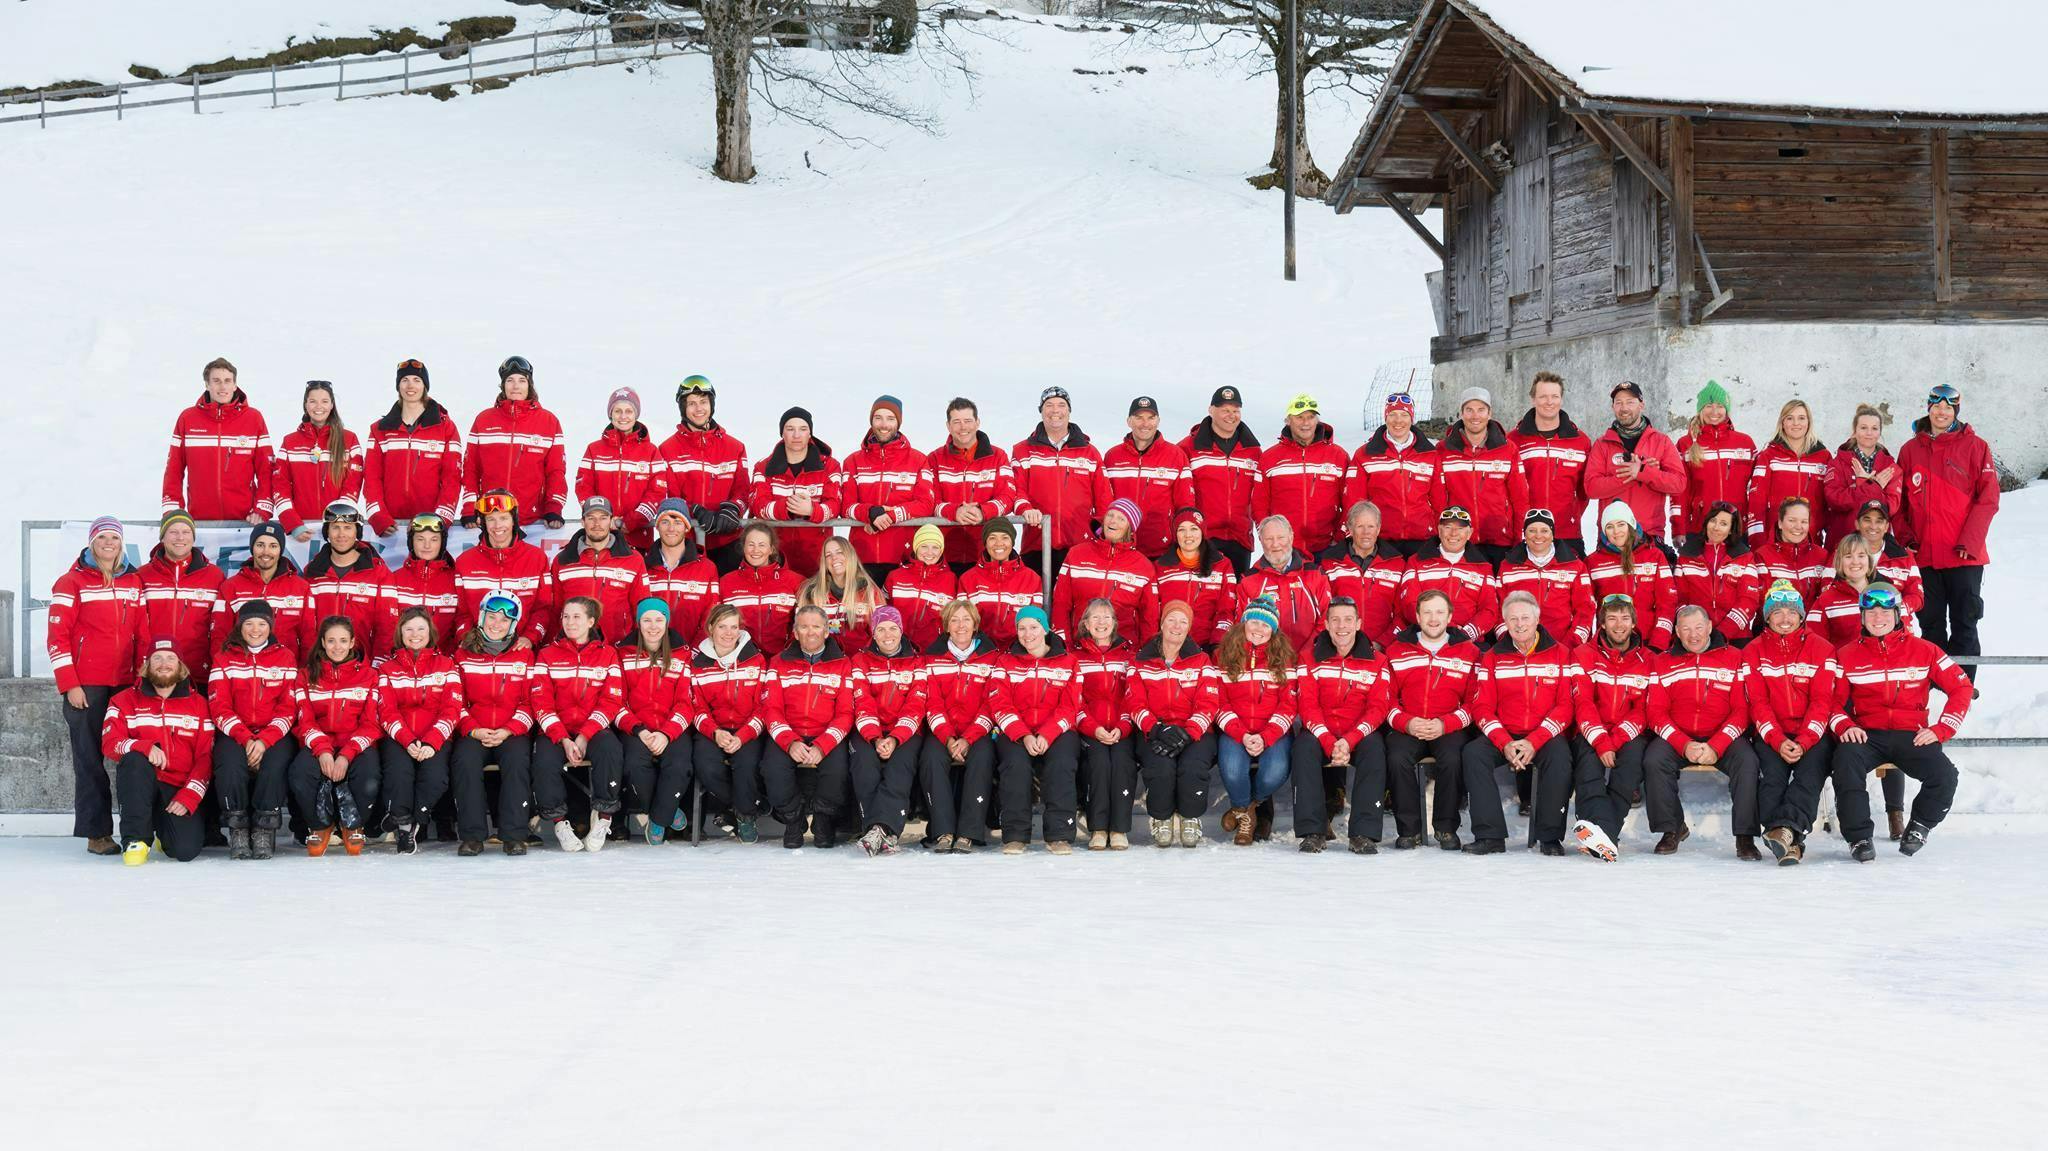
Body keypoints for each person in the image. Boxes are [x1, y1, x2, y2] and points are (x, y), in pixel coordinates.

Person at [1830, 583, 1970, 860]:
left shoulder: (1925, 650)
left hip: (1912, 735)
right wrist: (1845, 725)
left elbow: (1961, 687)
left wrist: (1942, 729)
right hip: (1868, 734)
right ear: (1861, 617)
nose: (1878, 618)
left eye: (1885, 611)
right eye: (1870, 613)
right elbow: (1830, 701)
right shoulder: (1846, 655)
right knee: (1845, 763)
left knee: (1945, 776)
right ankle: (1859, 838)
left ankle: (1919, 826)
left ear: (1897, 615)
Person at [49, 516, 146, 855]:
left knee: (131, 757)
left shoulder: (134, 581)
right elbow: (57, 639)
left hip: (124, 684)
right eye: (102, 537)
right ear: (92, 543)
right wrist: (70, 684)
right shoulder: (71, 582)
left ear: (122, 545)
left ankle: (140, 828)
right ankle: (97, 833)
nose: (109, 543)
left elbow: (142, 634)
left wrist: (142, 676)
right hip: (86, 686)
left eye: (114, 538)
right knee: (89, 759)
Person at [1895, 383, 1998, 686]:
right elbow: (1898, 504)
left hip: (1965, 555)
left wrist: (1970, 541)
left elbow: (1988, 499)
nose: (1941, 412)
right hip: (1924, 556)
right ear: (1928, 408)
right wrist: (1906, 539)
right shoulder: (1910, 450)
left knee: (1965, 623)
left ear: (1955, 411)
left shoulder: (1976, 447)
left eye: (1948, 407)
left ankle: (1963, 687)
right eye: (1936, 406)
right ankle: (1937, 687)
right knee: (1932, 625)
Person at [1459, 592, 1574, 855]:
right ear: (1505, 623)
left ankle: (1550, 837)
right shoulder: (1492, 656)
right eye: (1513, 619)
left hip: (1544, 734)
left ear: (1537, 619)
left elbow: (1566, 706)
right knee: (1473, 753)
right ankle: (1490, 836)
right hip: (1505, 732)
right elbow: (1482, 707)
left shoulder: (1560, 654)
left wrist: (1534, 741)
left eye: (1525, 618)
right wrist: (1505, 742)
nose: (1520, 624)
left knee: (1560, 757)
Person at [1643, 605, 1762, 859]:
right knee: (1653, 760)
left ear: (1709, 627)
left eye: (1698, 627)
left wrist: (1717, 745)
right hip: (1679, 735)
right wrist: (1683, 743)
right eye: (1685, 629)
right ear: (1676, 631)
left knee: (1748, 761)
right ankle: (1671, 828)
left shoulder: (1734, 657)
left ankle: (1745, 836)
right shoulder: (1662, 661)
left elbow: (1742, 710)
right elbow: (1655, 712)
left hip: (1723, 734)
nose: (1693, 634)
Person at [1744, 581, 1842, 866]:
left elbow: (1822, 701)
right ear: (1767, 616)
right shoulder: (1752, 651)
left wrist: (1804, 741)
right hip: (1771, 732)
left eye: (1791, 611)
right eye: (1777, 612)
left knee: (1809, 775)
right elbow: (1757, 703)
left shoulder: (1822, 649)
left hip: (1812, 732)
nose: (1784, 618)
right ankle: (1792, 842)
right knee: (1772, 779)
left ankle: (1784, 832)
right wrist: (1776, 739)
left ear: (1801, 616)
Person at [1291, 596, 1394, 854]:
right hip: (1320, 730)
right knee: (1303, 750)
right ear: (1325, 624)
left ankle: (1363, 833)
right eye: (1335, 620)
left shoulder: (1377, 660)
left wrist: (1349, 740)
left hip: (1359, 732)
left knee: (1374, 751)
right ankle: (1313, 831)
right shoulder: (1308, 657)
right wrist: (1328, 739)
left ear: (1358, 623)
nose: (1342, 626)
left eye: (1348, 619)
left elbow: (1378, 708)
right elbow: (1308, 706)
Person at [1383, 589, 1482, 851]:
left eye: (1439, 612)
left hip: (1449, 726)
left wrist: (1445, 724)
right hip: (1408, 725)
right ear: (1417, 616)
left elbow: (1476, 702)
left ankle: (1446, 828)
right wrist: (1406, 722)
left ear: (1450, 616)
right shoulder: (1396, 650)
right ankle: (1409, 830)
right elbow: (1386, 699)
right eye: (1427, 612)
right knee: (1395, 757)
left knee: (1453, 758)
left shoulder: (1469, 652)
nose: (1433, 618)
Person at [104, 638, 214, 865]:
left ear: (180, 665)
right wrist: (142, 746)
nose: (164, 664)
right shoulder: (122, 700)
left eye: (170, 658)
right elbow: (109, 743)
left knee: (185, 851)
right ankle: (136, 839)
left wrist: (190, 795)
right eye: (157, 658)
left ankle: (162, 830)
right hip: (143, 783)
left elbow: (206, 756)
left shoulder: (199, 704)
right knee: (134, 759)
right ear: (147, 664)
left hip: (178, 788)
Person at [1565, 594, 1656, 862]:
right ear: (1602, 623)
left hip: (1629, 732)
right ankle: (1606, 837)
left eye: (1625, 618)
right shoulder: (1582, 654)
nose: (1619, 625)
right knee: (1589, 769)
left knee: (1627, 772)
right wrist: (1602, 741)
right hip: (1591, 729)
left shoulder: (1649, 659)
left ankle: (1602, 835)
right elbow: (1583, 702)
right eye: (1612, 618)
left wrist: (1615, 740)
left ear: (1634, 622)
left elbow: (1644, 709)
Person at [531, 597, 626, 852]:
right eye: (566, 616)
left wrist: (583, 736)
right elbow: (540, 701)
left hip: (593, 729)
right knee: (544, 761)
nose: (570, 622)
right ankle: (560, 822)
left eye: (577, 617)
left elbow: (611, 701)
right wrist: (563, 738)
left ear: (591, 621)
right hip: (556, 730)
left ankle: (604, 816)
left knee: (611, 750)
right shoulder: (547, 654)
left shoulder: (607, 654)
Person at [208, 600, 301, 861]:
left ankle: (264, 826)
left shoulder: (285, 657)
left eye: (262, 624)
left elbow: (288, 707)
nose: (256, 629)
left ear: (270, 626)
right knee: (229, 763)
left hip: (272, 732)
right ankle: (237, 827)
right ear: (240, 626)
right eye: (249, 624)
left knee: (276, 762)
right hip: (236, 731)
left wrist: (264, 740)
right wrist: (247, 738)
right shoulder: (224, 657)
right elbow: (219, 706)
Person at [760, 605, 857, 849]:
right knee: (772, 769)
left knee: (838, 771)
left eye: (816, 627)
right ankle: (794, 819)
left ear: (827, 632)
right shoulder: (778, 663)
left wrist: (823, 745)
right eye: (804, 626)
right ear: (795, 632)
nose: (810, 632)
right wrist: (789, 741)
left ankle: (823, 819)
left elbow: (846, 713)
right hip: (788, 732)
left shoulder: (843, 664)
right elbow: (771, 709)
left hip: (827, 734)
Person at [449, 593, 537, 856]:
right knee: (464, 762)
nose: (496, 624)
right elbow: (455, 702)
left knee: (518, 761)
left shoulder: (524, 656)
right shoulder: (462, 654)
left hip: (511, 730)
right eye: (491, 616)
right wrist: (472, 729)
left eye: (504, 619)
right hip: (474, 729)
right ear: (481, 617)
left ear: (513, 625)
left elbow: (531, 701)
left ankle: (514, 835)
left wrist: (509, 729)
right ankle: (473, 836)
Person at [992, 605, 1084, 855]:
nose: (1027, 633)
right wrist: (1023, 734)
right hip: (1016, 731)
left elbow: (1071, 706)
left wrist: (1047, 733)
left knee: (1062, 763)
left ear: (1045, 629)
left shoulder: (1068, 662)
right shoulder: (1005, 662)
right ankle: (1015, 835)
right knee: (1015, 765)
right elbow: (999, 702)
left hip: (1056, 732)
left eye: (1033, 627)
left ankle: (1059, 835)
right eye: (1021, 628)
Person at [1129, 600, 1220, 848]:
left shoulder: (1201, 660)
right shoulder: (1140, 661)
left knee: (1192, 767)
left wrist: (1188, 734)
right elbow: (1135, 704)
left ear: (1189, 627)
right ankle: (1162, 818)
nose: (1176, 626)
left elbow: (1209, 703)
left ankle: (1190, 818)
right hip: (1155, 730)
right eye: (1171, 619)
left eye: (1183, 622)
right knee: (1160, 767)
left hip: (1195, 732)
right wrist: (1158, 729)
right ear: (1162, 623)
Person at [289, 616, 382, 857]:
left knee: (369, 775)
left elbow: (371, 724)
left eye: (343, 640)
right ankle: (320, 825)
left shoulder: (370, 676)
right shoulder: (305, 675)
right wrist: (323, 750)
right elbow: (304, 720)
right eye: (331, 641)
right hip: (319, 743)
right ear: (322, 642)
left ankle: (353, 823)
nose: (337, 646)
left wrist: (347, 754)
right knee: (300, 774)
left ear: (353, 642)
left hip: (355, 743)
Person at [375, 605, 462, 855]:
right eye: (409, 629)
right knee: (399, 774)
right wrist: (408, 740)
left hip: (435, 737)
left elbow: (452, 709)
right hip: (400, 737)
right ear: (400, 633)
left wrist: (431, 742)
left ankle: (412, 818)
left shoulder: (446, 665)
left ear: (430, 632)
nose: (415, 634)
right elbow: (386, 711)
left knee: (435, 778)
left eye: (421, 629)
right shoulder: (387, 669)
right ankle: (404, 827)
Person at [919, 599, 1004, 852]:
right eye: (954, 620)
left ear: (975, 624)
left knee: (983, 758)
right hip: (942, 731)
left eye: (966, 619)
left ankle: (969, 832)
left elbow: (991, 704)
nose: (960, 625)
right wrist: (947, 737)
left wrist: (968, 738)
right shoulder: (931, 658)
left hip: (978, 731)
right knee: (931, 759)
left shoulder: (992, 658)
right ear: (946, 626)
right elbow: (932, 703)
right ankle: (942, 831)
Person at [1213, 594, 1297, 847]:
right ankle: (1244, 813)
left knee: (1275, 772)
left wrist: (1266, 736)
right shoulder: (1222, 656)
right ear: (1244, 623)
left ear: (1273, 631)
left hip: (1273, 731)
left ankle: (1245, 808)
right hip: (1235, 729)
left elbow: (1289, 705)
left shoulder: (1285, 659)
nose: (1259, 629)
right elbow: (1218, 702)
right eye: (1254, 622)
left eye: (1266, 625)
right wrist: (1242, 734)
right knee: (1231, 769)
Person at [848, 606, 928, 857]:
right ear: (873, 633)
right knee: (863, 762)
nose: (887, 634)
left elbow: (916, 704)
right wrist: (875, 737)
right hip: (868, 729)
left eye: (893, 628)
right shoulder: (860, 661)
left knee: (901, 765)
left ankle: (880, 829)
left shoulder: (917, 661)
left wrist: (894, 738)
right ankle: (882, 831)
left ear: (901, 631)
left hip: (904, 731)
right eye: (880, 629)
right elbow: (862, 701)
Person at [616, 598, 695, 846]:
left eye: (659, 620)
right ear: (638, 623)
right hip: (635, 728)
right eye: (647, 620)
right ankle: (668, 811)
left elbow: (687, 702)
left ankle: (659, 818)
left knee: (680, 765)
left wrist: (666, 733)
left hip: (671, 727)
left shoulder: (683, 654)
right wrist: (639, 730)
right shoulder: (621, 654)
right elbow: (616, 701)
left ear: (667, 622)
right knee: (634, 765)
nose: (653, 626)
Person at [689, 604, 770, 844]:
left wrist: (743, 736)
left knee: (746, 765)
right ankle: (748, 806)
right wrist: (714, 732)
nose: (728, 633)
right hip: (713, 729)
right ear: (711, 628)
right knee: (705, 765)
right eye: (722, 626)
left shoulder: (756, 659)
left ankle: (744, 815)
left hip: (748, 730)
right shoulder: (698, 663)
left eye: (734, 627)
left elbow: (764, 707)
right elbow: (697, 707)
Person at [162, 356, 274, 523]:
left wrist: (262, 509)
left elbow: (267, 469)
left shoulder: (253, 418)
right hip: (199, 522)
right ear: (207, 385)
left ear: (235, 385)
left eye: (227, 381)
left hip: (246, 522)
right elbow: (174, 469)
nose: (223, 386)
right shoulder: (188, 418)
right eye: (216, 381)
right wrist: (173, 512)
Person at [657, 376, 752, 572]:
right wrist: (696, 512)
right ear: (683, 408)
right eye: (691, 403)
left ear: (711, 405)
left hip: (728, 540)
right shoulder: (667, 449)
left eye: (703, 402)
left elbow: (743, 491)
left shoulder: (735, 447)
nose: (698, 408)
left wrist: (733, 509)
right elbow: (669, 495)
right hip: (687, 542)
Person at [1013, 386, 1111, 575]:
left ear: (1069, 410)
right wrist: (1026, 510)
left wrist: (1100, 535)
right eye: (1049, 405)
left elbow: (1104, 499)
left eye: (1061, 405)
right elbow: (1017, 491)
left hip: (1080, 545)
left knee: (1076, 602)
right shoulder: (1023, 450)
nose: (1055, 410)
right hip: (1037, 543)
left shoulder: (1089, 452)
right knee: (1039, 602)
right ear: (1041, 410)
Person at [842, 394, 937, 585]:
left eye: (890, 418)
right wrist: (870, 513)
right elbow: (846, 506)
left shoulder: (918, 460)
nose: (884, 424)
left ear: (899, 422)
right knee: (864, 613)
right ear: (871, 420)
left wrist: (890, 515)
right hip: (863, 556)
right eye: (878, 418)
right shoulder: (852, 461)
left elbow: (926, 504)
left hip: (903, 555)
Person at [364, 358, 464, 537]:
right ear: (398, 386)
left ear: (425, 386)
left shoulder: (446, 428)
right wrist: (378, 516)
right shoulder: (380, 429)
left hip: (429, 527)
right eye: (405, 380)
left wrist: (440, 519)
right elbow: (372, 478)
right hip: (390, 526)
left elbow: (452, 479)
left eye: (417, 380)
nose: (410, 385)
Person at [463, 356, 566, 528]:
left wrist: (554, 507)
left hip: (532, 521)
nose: (516, 385)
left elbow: (556, 471)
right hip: (491, 516)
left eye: (522, 380)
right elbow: (471, 469)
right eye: (510, 380)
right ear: (503, 385)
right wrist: (469, 508)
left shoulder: (549, 421)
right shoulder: (484, 420)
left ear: (529, 385)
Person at [1431, 386, 1529, 564]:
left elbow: (1520, 498)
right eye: (1469, 410)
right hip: (1459, 542)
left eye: (1481, 410)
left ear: (1489, 413)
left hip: (1500, 542)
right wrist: (1443, 536)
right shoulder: (1443, 450)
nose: (1475, 416)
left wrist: (1517, 539)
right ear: (1461, 413)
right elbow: (1438, 499)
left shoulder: (1508, 450)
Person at [1583, 380, 1686, 543]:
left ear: (1641, 405)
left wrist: (1644, 472)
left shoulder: (1661, 441)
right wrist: (1632, 475)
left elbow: (1678, 483)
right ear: (1613, 407)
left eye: (1630, 402)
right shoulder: (1602, 444)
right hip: (1611, 537)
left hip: (1649, 535)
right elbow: (1591, 488)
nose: (1624, 408)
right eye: (1619, 403)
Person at [1072, 599, 1138, 850]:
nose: (1101, 623)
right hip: (1091, 729)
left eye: (1106, 617)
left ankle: (1119, 828)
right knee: (1098, 763)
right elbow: (1074, 699)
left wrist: (1122, 726)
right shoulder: (1075, 657)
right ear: (1085, 624)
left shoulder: (1129, 656)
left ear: (1115, 623)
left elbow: (1133, 696)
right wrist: (1092, 727)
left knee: (1122, 762)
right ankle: (1098, 828)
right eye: (1095, 618)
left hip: (1122, 728)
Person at [452, 490, 552, 650]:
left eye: (504, 518)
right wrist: (467, 639)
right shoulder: (465, 562)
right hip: (476, 652)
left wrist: (530, 637)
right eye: (491, 519)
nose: (497, 526)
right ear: (483, 523)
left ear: (514, 521)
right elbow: (460, 612)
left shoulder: (536, 558)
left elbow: (544, 608)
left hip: (520, 652)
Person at [749, 406, 841, 578]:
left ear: (810, 433)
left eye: (803, 429)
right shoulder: (763, 466)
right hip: (776, 557)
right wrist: (788, 507)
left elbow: (835, 504)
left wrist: (813, 510)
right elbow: (757, 505)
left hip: (817, 558)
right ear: (782, 433)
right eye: (790, 429)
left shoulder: (829, 466)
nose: (796, 435)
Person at [137, 509, 224, 689]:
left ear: (193, 537)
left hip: (198, 671)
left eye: (186, 532)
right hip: (155, 671)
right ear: (162, 537)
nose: (180, 538)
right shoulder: (143, 574)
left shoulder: (214, 576)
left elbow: (220, 627)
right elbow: (136, 626)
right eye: (173, 532)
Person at [928, 397, 1018, 571]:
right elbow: (930, 500)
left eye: (968, 421)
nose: (963, 427)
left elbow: (1008, 497)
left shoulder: (998, 456)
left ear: (977, 422)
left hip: (985, 553)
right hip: (943, 554)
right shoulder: (935, 458)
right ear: (948, 426)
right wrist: (954, 511)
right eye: (957, 422)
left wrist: (983, 511)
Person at [1178, 385, 1262, 571]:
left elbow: (1260, 496)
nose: (1230, 415)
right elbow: (1181, 495)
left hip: (1240, 539)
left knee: (1237, 594)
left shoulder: (1253, 451)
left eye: (1235, 410)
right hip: (1203, 537)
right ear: (1211, 410)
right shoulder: (1188, 448)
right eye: (1224, 410)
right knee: (1205, 594)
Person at [1254, 393, 1349, 556]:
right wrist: (1268, 536)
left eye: (1311, 417)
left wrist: (1339, 536)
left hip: (1327, 547)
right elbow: (1259, 504)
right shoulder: (1269, 458)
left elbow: (1350, 500)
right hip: (1284, 549)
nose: (1306, 423)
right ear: (1288, 420)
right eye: (1299, 417)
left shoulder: (1338, 456)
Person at [1345, 391, 1439, 556]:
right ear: (1385, 417)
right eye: (1393, 414)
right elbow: (1355, 500)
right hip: (1381, 539)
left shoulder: (1430, 454)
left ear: (1412, 418)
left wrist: (1439, 532)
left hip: (1422, 537)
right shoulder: (1365, 454)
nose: (1398, 421)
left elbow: (1439, 500)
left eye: (1404, 414)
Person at [574, 386, 667, 551]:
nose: (623, 416)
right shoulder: (593, 449)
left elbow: (657, 493)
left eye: (629, 411)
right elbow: (583, 488)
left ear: (636, 414)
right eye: (617, 411)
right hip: (602, 538)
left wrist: (630, 522)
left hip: (639, 538)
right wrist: (603, 519)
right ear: (610, 414)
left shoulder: (652, 451)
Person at [1507, 371, 1593, 549]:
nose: (1549, 402)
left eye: (1554, 396)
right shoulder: (1513, 440)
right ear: (1533, 399)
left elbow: (1584, 490)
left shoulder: (1580, 441)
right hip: (1527, 533)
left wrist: (1571, 516)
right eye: (1543, 396)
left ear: (1561, 399)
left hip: (1567, 533)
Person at [552, 495, 651, 646]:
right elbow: (555, 608)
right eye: (591, 518)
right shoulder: (563, 560)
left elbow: (642, 607)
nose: (597, 523)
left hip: (618, 646)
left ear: (611, 521)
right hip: (573, 648)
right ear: (582, 522)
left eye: (603, 517)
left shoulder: (633, 559)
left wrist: (636, 645)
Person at [272, 381, 366, 540]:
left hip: (337, 531)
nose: (318, 406)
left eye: (324, 401)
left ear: (331, 405)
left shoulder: (349, 439)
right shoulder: (290, 442)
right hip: (301, 529)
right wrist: (292, 523)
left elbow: (353, 482)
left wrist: (337, 519)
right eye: (313, 401)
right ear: (305, 405)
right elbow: (280, 486)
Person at [1103, 395, 1195, 556]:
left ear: (1158, 420)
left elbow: (1185, 504)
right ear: (1129, 421)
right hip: (1120, 548)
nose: (1145, 424)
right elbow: (1105, 501)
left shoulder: (1176, 456)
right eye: (1139, 418)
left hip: (1161, 549)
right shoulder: (1113, 456)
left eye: (1151, 418)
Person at [1053, 498, 1156, 641]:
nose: (1113, 521)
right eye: (1110, 515)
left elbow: (1149, 617)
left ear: (1130, 528)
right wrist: (1063, 643)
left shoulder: (1143, 566)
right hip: (1080, 647)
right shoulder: (1076, 554)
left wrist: (1146, 654)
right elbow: (1061, 603)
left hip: (1124, 650)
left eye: (1121, 518)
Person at [1396, 507, 1499, 643]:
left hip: (1468, 642)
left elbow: (1489, 609)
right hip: (1424, 638)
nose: (1453, 533)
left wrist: (1465, 634)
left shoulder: (1484, 567)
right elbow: (1409, 603)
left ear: (1469, 533)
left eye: (1460, 528)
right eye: (1448, 527)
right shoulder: (1416, 561)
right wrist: (1440, 630)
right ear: (1439, 530)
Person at [212, 521, 315, 657]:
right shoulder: (231, 587)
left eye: (273, 546)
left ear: (281, 550)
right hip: (242, 673)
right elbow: (219, 636)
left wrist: (303, 673)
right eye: (260, 545)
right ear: (252, 547)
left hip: (287, 672)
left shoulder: (301, 588)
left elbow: (309, 636)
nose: (266, 552)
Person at [1584, 502, 1679, 648]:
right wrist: (1592, 644)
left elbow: (1667, 602)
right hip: (1609, 643)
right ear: (1604, 531)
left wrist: (1659, 642)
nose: (1616, 531)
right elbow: (1586, 607)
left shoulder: (1655, 556)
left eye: (1621, 524)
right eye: (1610, 527)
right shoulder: (1593, 562)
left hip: (1648, 642)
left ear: (1631, 524)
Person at [1495, 508, 1594, 647]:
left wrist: (1571, 645)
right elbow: (1498, 609)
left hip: (1564, 648)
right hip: (1519, 648)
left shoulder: (1575, 566)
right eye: (1532, 530)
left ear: (1552, 534)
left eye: (1544, 530)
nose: (1538, 536)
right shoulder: (1507, 566)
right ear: (1525, 534)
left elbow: (1586, 609)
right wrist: (1508, 642)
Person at [1674, 380, 1755, 544]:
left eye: (1719, 406)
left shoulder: (1745, 443)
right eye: (1709, 406)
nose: (1714, 411)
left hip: (1737, 527)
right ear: (1700, 410)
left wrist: (1754, 527)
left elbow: (1756, 489)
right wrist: (1678, 529)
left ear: (1727, 409)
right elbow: (1681, 491)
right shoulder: (1686, 444)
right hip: (1700, 526)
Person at [304, 501, 391, 654]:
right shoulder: (312, 573)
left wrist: (379, 662)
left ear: (357, 532)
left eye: (348, 528)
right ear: (327, 532)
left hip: (363, 666)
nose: (341, 534)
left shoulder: (378, 573)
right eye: (335, 527)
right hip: (321, 666)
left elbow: (387, 626)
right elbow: (306, 626)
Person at [1238, 514, 1330, 652]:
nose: (1275, 544)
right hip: (1267, 663)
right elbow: (1242, 627)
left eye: (1280, 538)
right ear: (1261, 541)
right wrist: (1274, 658)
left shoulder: (1315, 574)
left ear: (1291, 537)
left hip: (1310, 660)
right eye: (1269, 539)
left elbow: (1327, 618)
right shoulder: (1248, 580)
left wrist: (1307, 654)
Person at [1317, 502, 1402, 649]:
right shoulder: (1329, 563)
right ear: (1350, 528)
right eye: (1360, 526)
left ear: (1378, 528)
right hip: (1339, 648)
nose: (1366, 532)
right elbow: (1322, 610)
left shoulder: (1397, 564)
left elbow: (1402, 615)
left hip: (1383, 650)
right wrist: (1337, 644)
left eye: (1371, 526)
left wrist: (1381, 644)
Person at [1673, 501, 1760, 643]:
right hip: (1696, 637)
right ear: (1707, 523)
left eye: (1724, 524)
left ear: (1731, 529)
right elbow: (1679, 599)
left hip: (1736, 635)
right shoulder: (1686, 556)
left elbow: (1749, 600)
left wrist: (1723, 633)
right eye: (1713, 521)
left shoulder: (1744, 557)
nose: (1716, 527)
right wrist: (1694, 629)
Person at [1746, 399, 1831, 545]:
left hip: (1811, 541)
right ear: (1782, 423)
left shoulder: (1824, 457)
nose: (1796, 423)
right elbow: (1756, 500)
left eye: (1801, 418)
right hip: (1775, 541)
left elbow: (1829, 502)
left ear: (1809, 422)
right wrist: (1757, 539)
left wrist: (1822, 530)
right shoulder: (1768, 456)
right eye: (1790, 418)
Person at [641, 498, 722, 646]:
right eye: (665, 522)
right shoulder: (642, 566)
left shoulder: (707, 568)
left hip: (690, 655)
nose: (671, 529)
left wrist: (695, 652)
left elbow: (712, 616)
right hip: (650, 654)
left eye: (678, 522)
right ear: (657, 526)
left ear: (687, 527)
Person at [1155, 507, 1240, 646]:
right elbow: (1153, 612)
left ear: (1202, 532)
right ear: (1175, 535)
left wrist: (1217, 645)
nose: (1188, 535)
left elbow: (1227, 609)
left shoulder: (1222, 565)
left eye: (1194, 528)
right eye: (1181, 529)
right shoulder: (1160, 566)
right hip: (1168, 644)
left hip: (1207, 645)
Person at [1823, 404, 1903, 546]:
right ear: (1855, 431)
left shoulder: (1891, 468)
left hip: (1876, 546)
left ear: (1880, 432)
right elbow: (1834, 500)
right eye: (1863, 428)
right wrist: (1875, 486)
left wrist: (1860, 486)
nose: (1869, 433)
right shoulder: (1838, 463)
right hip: (1842, 542)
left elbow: (1890, 508)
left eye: (1874, 428)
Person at [1808, 535, 1905, 646]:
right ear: (1840, 562)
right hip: (1844, 661)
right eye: (1848, 556)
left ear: (1869, 560)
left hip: (1885, 661)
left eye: (1861, 556)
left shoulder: (1888, 594)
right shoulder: (1826, 600)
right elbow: (1814, 644)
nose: (1855, 562)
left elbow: (1904, 637)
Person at [383, 514, 460, 654]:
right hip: (400, 667)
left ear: (442, 543)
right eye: (420, 539)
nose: (427, 546)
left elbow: (459, 627)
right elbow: (386, 628)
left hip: (442, 667)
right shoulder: (394, 579)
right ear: (411, 542)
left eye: (434, 539)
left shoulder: (456, 581)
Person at [959, 518, 1041, 648]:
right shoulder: (968, 578)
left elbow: (1036, 621)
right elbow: (962, 621)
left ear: (1013, 542)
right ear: (985, 542)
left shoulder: (1032, 578)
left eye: (1005, 538)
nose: (999, 543)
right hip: (980, 652)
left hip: (1017, 652)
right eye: (992, 538)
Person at [719, 521, 803, 645]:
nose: (755, 550)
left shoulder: (794, 581)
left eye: (762, 545)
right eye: (751, 545)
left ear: (771, 549)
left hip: (781, 658)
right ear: (743, 548)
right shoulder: (726, 582)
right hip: (742, 659)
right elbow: (716, 623)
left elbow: (804, 624)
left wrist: (788, 653)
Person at [800, 535, 886, 654]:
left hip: (860, 665)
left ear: (850, 556)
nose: (834, 558)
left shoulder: (870, 592)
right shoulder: (812, 592)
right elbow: (801, 635)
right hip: (825, 665)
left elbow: (883, 635)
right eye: (828, 555)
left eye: (840, 552)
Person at [883, 524, 956, 651]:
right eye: (924, 546)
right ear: (916, 548)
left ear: (941, 550)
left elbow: (953, 617)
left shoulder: (950, 579)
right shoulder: (895, 576)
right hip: (899, 648)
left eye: (935, 547)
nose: (929, 552)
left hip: (933, 649)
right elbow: (883, 610)